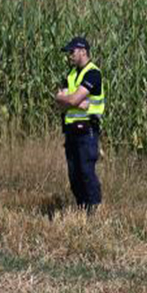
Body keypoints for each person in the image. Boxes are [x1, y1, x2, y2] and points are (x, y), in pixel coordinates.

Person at [52, 36, 104, 212]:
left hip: (87, 130)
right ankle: (82, 211)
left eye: (72, 51)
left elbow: (71, 99)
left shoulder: (93, 73)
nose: (69, 56)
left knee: (86, 172)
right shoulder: (71, 75)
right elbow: (60, 101)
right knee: (74, 176)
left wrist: (68, 99)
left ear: (83, 51)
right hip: (71, 131)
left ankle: (94, 211)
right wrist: (69, 100)